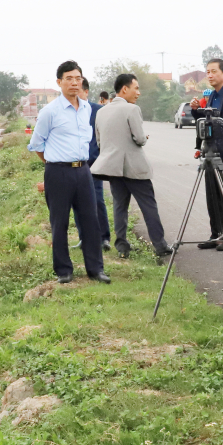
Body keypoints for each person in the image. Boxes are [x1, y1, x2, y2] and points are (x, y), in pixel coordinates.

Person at [28, 60, 110, 284]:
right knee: (60, 222)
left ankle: (96, 269)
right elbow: (37, 144)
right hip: (58, 172)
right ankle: (64, 271)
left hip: (84, 171)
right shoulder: (49, 112)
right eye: (69, 79)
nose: (74, 83)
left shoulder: (86, 109)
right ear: (59, 82)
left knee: (90, 220)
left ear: (82, 81)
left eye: (77, 78)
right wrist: (53, 164)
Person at [92, 73, 171, 260]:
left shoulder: (101, 112)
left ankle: (121, 247)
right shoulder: (132, 109)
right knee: (148, 206)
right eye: (136, 88)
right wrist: (144, 138)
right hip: (134, 167)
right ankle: (160, 246)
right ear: (124, 89)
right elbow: (139, 138)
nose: (138, 92)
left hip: (112, 167)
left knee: (120, 206)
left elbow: (99, 141)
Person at [191, 59, 223, 251]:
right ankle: (215, 234)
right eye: (208, 72)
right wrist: (196, 111)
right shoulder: (212, 95)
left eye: (214, 71)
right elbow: (209, 122)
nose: (210, 75)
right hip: (210, 150)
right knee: (212, 194)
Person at [73, 77, 112, 252]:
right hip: (74, 164)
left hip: (94, 163)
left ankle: (104, 238)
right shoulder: (69, 112)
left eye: (78, 91)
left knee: (97, 200)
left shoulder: (99, 111)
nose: (75, 95)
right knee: (78, 202)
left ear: (86, 92)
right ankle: (84, 237)